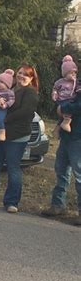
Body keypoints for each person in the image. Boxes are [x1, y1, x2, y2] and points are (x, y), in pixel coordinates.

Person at [0, 64, 39, 213]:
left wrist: (4, 119)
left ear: (31, 78)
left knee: (13, 168)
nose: (22, 76)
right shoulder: (9, 88)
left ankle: (12, 202)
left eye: (26, 75)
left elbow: (25, 112)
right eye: (20, 73)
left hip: (17, 137)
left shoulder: (30, 93)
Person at [43, 59, 81, 225]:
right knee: (61, 169)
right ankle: (58, 204)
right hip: (67, 136)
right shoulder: (73, 84)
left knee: (79, 173)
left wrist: (63, 108)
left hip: (78, 136)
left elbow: (78, 106)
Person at [51, 55, 79, 134]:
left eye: (75, 73)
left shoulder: (75, 82)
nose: (73, 75)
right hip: (62, 99)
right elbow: (55, 88)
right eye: (71, 73)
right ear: (65, 73)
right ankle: (65, 123)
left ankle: (61, 126)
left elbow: (77, 89)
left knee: (69, 109)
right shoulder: (60, 82)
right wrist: (54, 94)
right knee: (66, 109)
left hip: (71, 99)